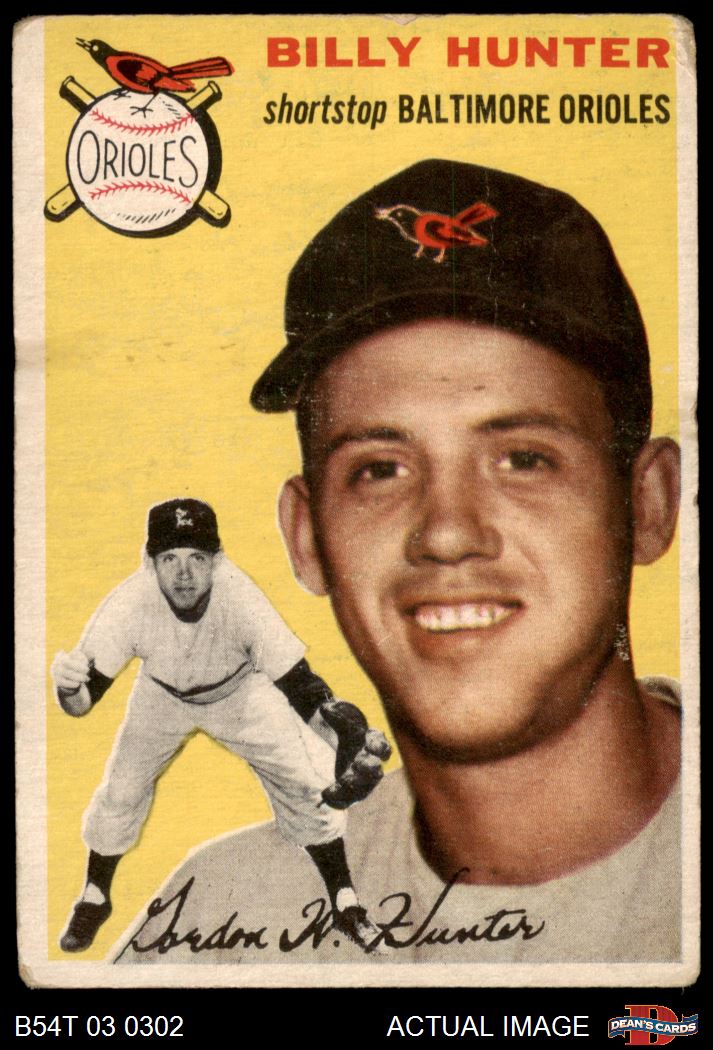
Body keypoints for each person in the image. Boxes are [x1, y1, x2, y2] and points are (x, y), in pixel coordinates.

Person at [115, 159, 683, 965]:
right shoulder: (218, 925)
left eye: (523, 459)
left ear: (648, 504)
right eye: (379, 470)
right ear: (306, 537)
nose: (446, 534)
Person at [52, 497, 391, 953]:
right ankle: (95, 895)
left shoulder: (241, 599)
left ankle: (345, 899)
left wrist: (340, 738)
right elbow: (81, 704)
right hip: (162, 697)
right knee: (122, 788)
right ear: (150, 564)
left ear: (218, 560)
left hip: (240, 694)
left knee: (305, 784)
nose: (183, 573)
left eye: (196, 558)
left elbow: (302, 687)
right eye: (169, 559)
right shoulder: (130, 603)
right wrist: (69, 689)